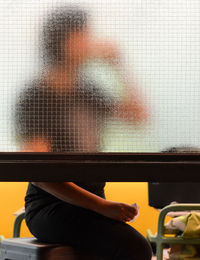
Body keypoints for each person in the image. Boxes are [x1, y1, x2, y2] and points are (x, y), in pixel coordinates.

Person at [15, 5, 152, 259]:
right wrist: (101, 206)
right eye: (84, 33)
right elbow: (38, 172)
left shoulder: (87, 91)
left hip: (90, 204)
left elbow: (139, 116)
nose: (91, 40)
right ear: (63, 40)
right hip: (51, 207)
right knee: (136, 247)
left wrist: (117, 65)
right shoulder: (37, 94)